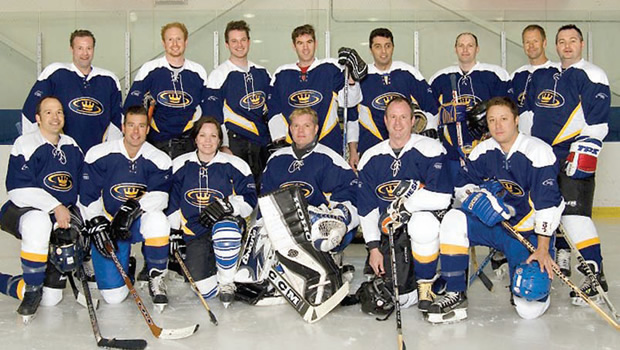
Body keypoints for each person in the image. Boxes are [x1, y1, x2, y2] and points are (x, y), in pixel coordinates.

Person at [427, 97, 564, 324]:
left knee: (527, 310)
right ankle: (455, 292)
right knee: (453, 218)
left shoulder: (538, 152)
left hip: (525, 234)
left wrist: (542, 249)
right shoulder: (484, 150)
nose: (498, 126)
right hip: (495, 226)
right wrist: (477, 198)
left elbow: (547, 203)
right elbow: (463, 184)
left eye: (503, 119)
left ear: (516, 120)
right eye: (492, 120)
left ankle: (536, 286)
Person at [520, 24, 611, 305]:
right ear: (555, 46)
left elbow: (598, 124)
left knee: (575, 217)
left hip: (571, 156)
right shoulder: (543, 75)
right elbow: (528, 114)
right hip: (544, 158)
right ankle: (551, 261)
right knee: (543, 213)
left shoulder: (593, 75)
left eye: (573, 40)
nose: (567, 46)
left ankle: (595, 275)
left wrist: (583, 153)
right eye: (562, 41)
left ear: (582, 44)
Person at [234, 107, 358, 306]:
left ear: (316, 128)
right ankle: (261, 277)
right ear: (289, 129)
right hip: (284, 228)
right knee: (261, 227)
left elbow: (349, 201)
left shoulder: (331, 159)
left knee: (322, 224)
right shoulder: (276, 160)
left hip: (317, 229)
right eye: (296, 126)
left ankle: (324, 272)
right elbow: (265, 202)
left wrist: (338, 216)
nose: (301, 131)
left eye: (306, 125)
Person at [357, 97, 452, 312]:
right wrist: (373, 248)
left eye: (403, 117)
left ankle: (426, 283)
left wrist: (405, 207)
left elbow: (443, 196)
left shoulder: (431, 148)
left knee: (422, 222)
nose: (398, 123)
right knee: (395, 297)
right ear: (385, 120)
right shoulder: (371, 157)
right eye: (393, 117)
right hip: (389, 233)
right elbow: (368, 208)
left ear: (412, 121)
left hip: (425, 227)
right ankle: (410, 281)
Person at [79, 106, 172, 311]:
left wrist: (131, 208)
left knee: (158, 221)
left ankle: (156, 276)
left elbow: (161, 197)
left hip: (136, 222)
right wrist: (99, 223)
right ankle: (126, 265)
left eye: (141, 126)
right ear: (123, 127)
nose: (136, 132)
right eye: (131, 125)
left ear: (148, 129)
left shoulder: (159, 158)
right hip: (109, 225)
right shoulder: (98, 154)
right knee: (114, 298)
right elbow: (87, 196)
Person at [0, 96, 84, 322]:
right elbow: (18, 189)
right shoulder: (25, 144)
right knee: (39, 222)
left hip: (58, 216)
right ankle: (32, 289)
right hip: (22, 211)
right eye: (48, 112)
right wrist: (55, 206)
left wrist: (79, 219)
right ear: (37, 118)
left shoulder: (71, 146)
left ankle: (22, 283)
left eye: (59, 112)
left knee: (51, 299)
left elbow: (79, 190)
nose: (55, 117)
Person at [167, 117, 256, 308]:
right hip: (194, 233)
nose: (208, 141)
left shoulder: (235, 165)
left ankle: (226, 282)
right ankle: (225, 267)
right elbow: (172, 200)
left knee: (225, 230)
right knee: (203, 291)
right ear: (195, 139)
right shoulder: (179, 165)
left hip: (227, 227)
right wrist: (174, 231)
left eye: (213, 136)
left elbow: (250, 200)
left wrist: (227, 206)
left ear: (219, 140)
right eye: (203, 135)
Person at [347, 28, 438, 171]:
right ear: (371, 49)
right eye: (378, 46)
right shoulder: (361, 76)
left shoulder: (408, 72)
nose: (383, 52)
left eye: (387, 46)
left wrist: (429, 136)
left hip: (406, 152)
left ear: (393, 48)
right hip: (370, 151)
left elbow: (432, 108)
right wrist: (352, 150)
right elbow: (352, 118)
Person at [267, 24, 363, 155]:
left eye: (309, 42)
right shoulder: (282, 73)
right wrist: (279, 138)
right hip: (294, 147)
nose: (305, 48)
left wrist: (352, 79)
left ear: (316, 44)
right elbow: (274, 108)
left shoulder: (331, 68)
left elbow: (349, 102)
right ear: (293, 46)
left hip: (329, 144)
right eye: (300, 43)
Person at [22, 29, 123, 153]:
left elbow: (116, 121)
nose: (85, 53)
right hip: (63, 155)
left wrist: (111, 153)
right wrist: (34, 149)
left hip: (96, 157)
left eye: (89, 48)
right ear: (72, 49)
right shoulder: (55, 73)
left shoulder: (109, 80)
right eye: (80, 48)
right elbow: (30, 112)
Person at [429, 32, 510, 178]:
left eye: (470, 45)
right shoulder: (440, 77)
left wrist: (486, 116)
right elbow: (430, 112)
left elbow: (508, 109)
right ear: (455, 49)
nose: (465, 50)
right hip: (452, 152)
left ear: (477, 49)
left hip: (487, 150)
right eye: (461, 45)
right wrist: (447, 114)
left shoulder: (495, 74)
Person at [124, 22, 209, 159]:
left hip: (189, 146)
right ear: (164, 43)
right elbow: (131, 108)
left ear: (186, 42)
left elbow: (207, 111)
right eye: (170, 39)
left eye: (179, 39)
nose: (175, 44)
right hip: (156, 145)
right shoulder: (149, 69)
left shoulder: (198, 71)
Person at [206, 20, 271, 184]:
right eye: (234, 41)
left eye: (243, 40)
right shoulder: (218, 75)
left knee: (263, 196)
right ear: (227, 44)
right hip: (235, 145)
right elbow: (213, 116)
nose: (239, 45)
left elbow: (272, 110)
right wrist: (223, 146)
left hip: (262, 145)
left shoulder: (263, 73)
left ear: (249, 41)